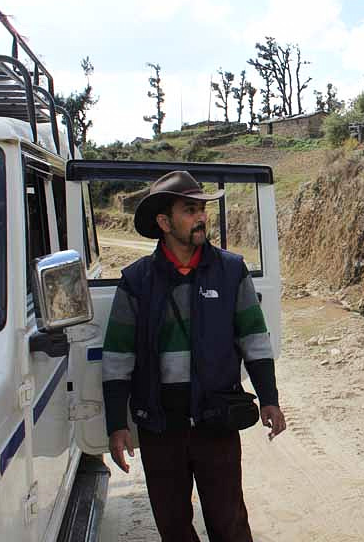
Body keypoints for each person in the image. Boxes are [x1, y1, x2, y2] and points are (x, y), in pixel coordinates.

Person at [102, 170, 286, 542]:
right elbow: (117, 357)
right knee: (173, 527)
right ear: (164, 221)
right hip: (159, 424)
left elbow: (255, 339)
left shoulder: (231, 271)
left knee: (229, 522)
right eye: (190, 210)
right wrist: (116, 424)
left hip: (215, 417)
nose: (202, 217)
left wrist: (269, 398)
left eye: (202, 209)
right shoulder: (136, 281)